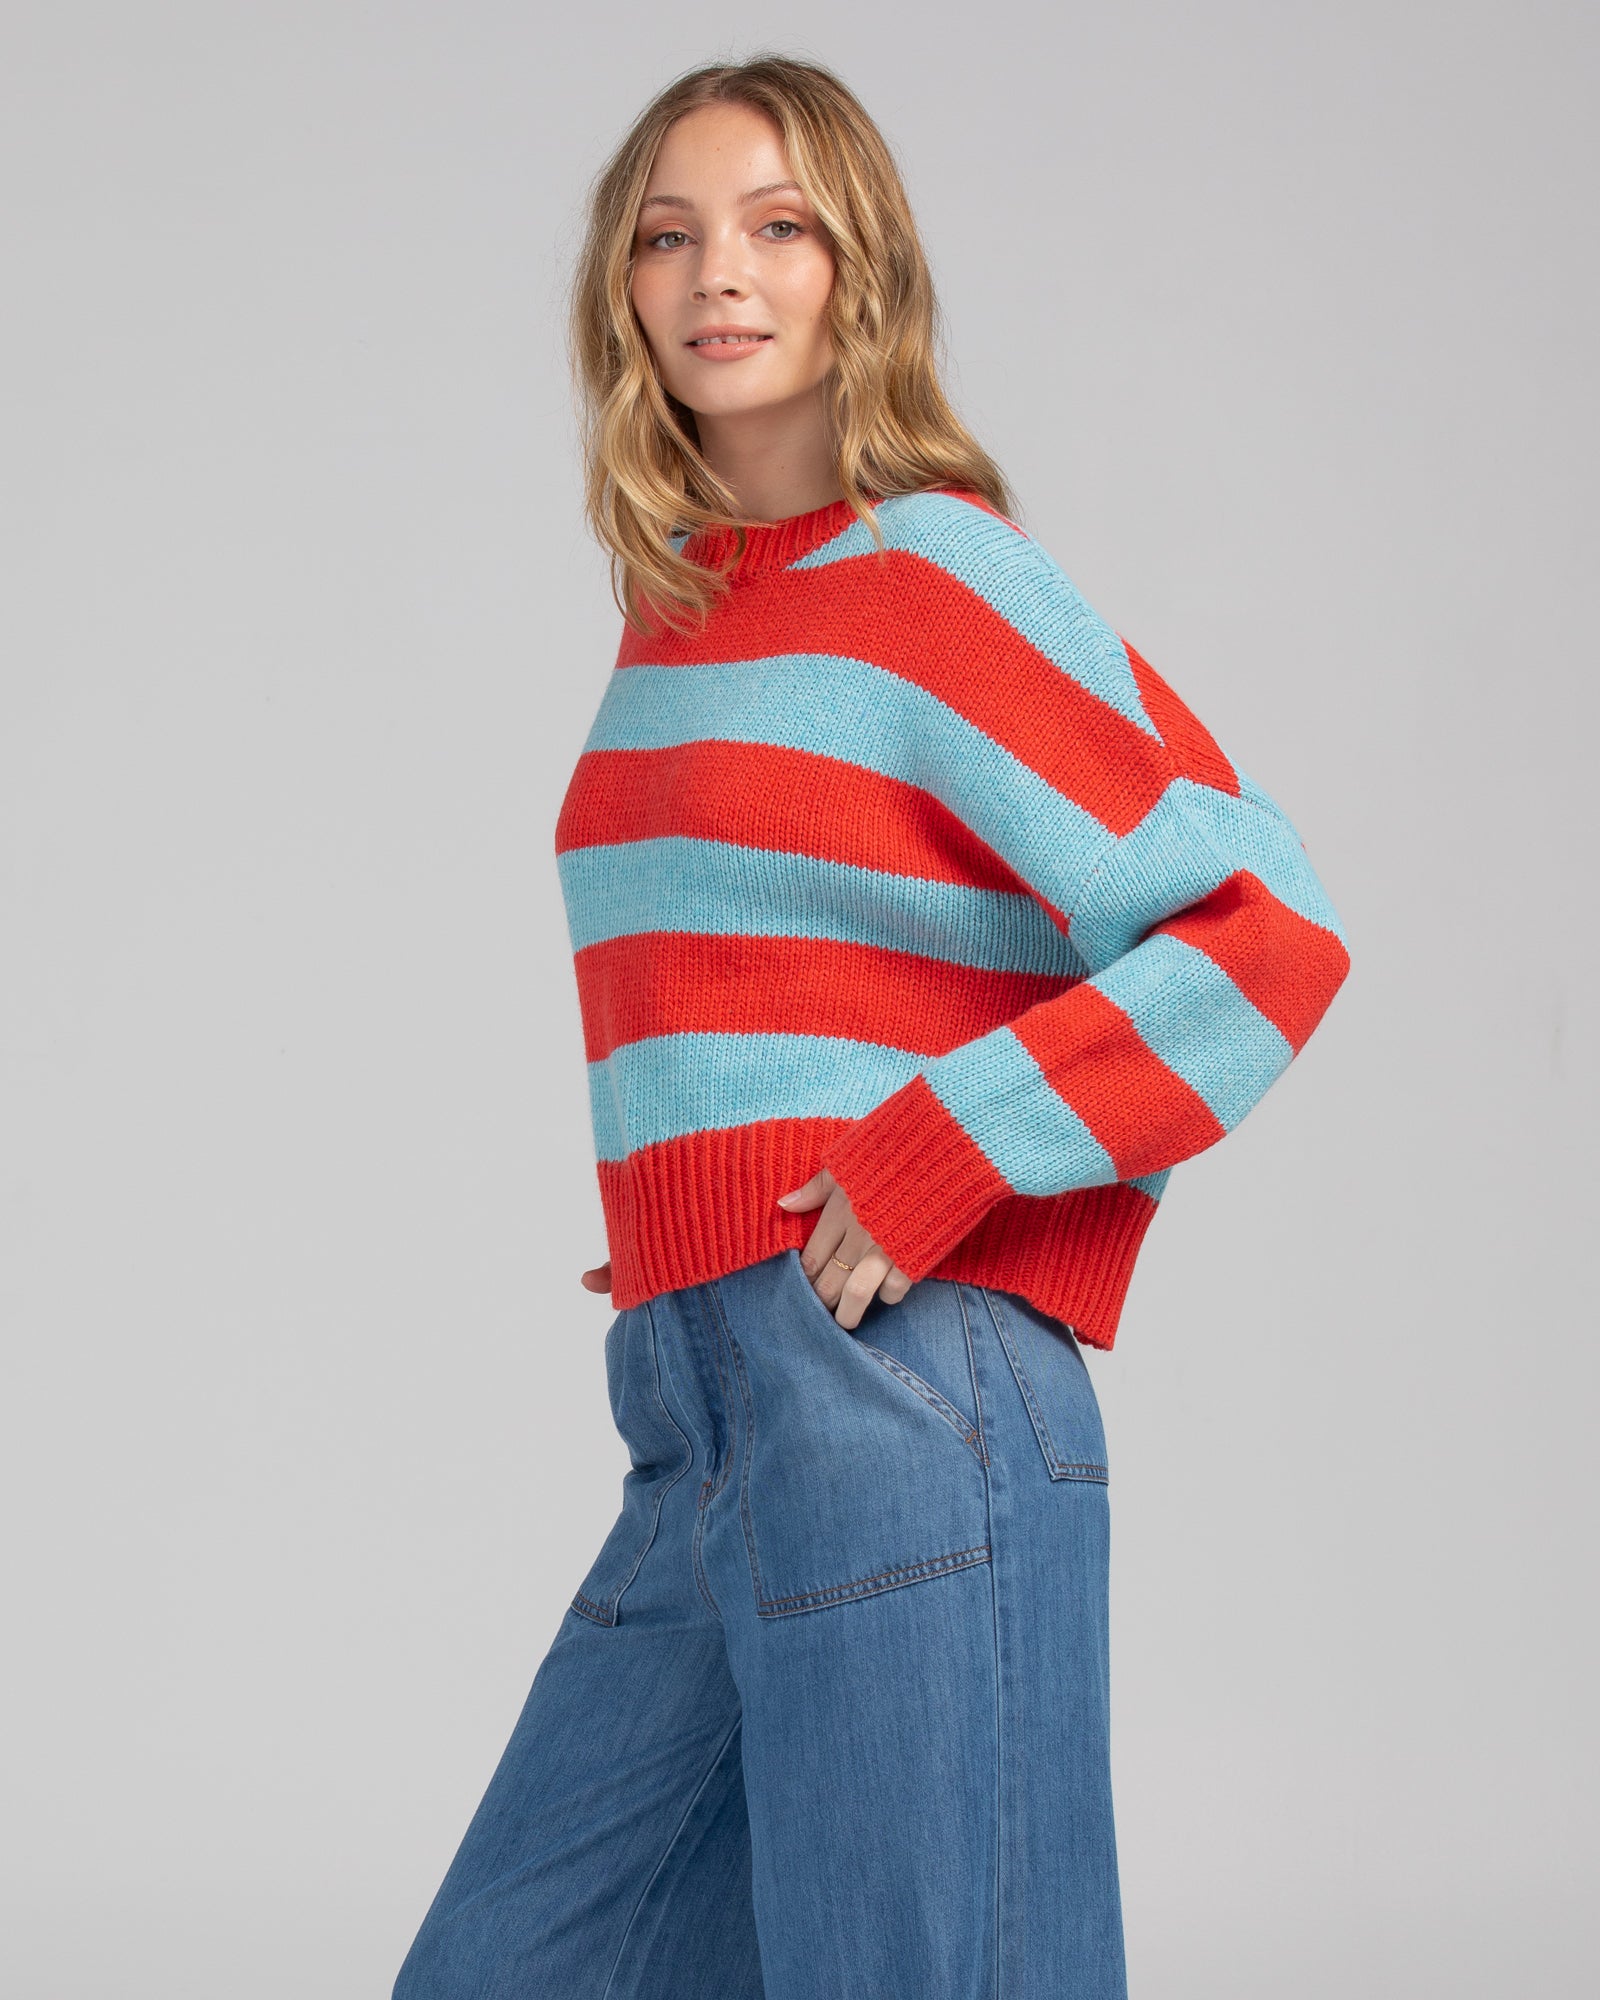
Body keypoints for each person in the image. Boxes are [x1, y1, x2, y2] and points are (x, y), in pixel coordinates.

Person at [392, 52, 1350, 2000]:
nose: (714, 275)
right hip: (702, 1415)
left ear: (861, 272)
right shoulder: (677, 622)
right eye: (665, 235)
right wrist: (695, 1213)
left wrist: (948, 1145)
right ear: (617, 288)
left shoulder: (930, 576)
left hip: (895, 1391)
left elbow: (1266, 932)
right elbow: (758, 990)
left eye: (776, 226)